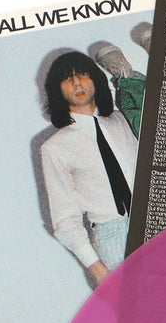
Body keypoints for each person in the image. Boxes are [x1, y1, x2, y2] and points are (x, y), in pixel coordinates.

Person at [40, 51, 138, 285]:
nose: (77, 83)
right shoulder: (55, 147)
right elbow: (65, 220)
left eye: (82, 74)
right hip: (113, 236)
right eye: (67, 78)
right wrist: (99, 272)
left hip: (153, 221)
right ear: (58, 90)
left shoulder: (121, 121)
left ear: (95, 80)